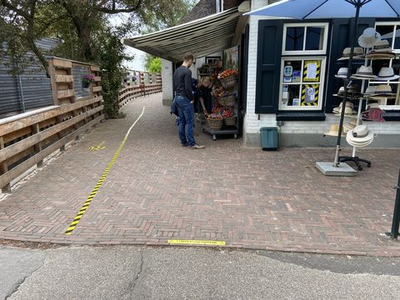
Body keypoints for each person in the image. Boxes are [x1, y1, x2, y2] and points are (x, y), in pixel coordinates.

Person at [173, 53, 205, 149]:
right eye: (192, 62)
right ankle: (192, 143)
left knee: (181, 121)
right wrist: (191, 98)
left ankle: (183, 141)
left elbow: (175, 86)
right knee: (190, 122)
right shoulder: (187, 71)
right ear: (190, 60)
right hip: (185, 99)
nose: (192, 64)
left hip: (177, 98)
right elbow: (188, 88)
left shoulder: (176, 71)